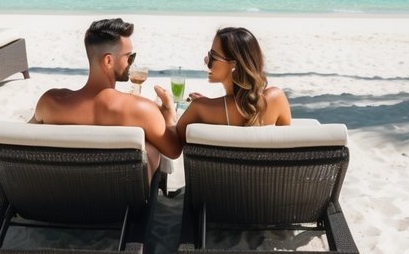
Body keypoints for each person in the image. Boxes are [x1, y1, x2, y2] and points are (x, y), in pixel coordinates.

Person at [32, 16, 179, 172]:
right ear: (108, 61)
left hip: (62, 189)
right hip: (122, 193)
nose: (132, 63)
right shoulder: (142, 110)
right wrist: (169, 114)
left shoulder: (50, 102)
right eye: (130, 57)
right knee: (150, 147)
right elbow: (174, 150)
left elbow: (23, 138)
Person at [155, 26, 290, 148]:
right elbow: (288, 147)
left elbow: (173, 146)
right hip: (266, 176)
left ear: (234, 65)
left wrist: (169, 112)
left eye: (212, 57)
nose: (206, 60)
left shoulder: (201, 109)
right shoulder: (276, 98)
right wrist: (210, 103)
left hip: (217, 176)